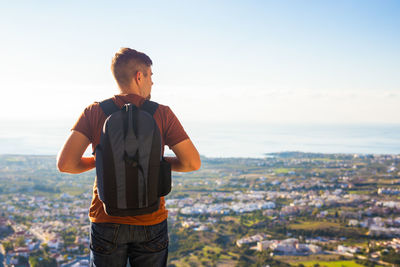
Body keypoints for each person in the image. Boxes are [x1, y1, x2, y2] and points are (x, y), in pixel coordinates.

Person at [57, 48, 201, 266]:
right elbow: (191, 163)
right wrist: (155, 162)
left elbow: (66, 164)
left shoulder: (94, 112)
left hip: (106, 218)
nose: (152, 83)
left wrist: (105, 159)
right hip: (151, 220)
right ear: (139, 76)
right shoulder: (162, 113)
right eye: (151, 76)